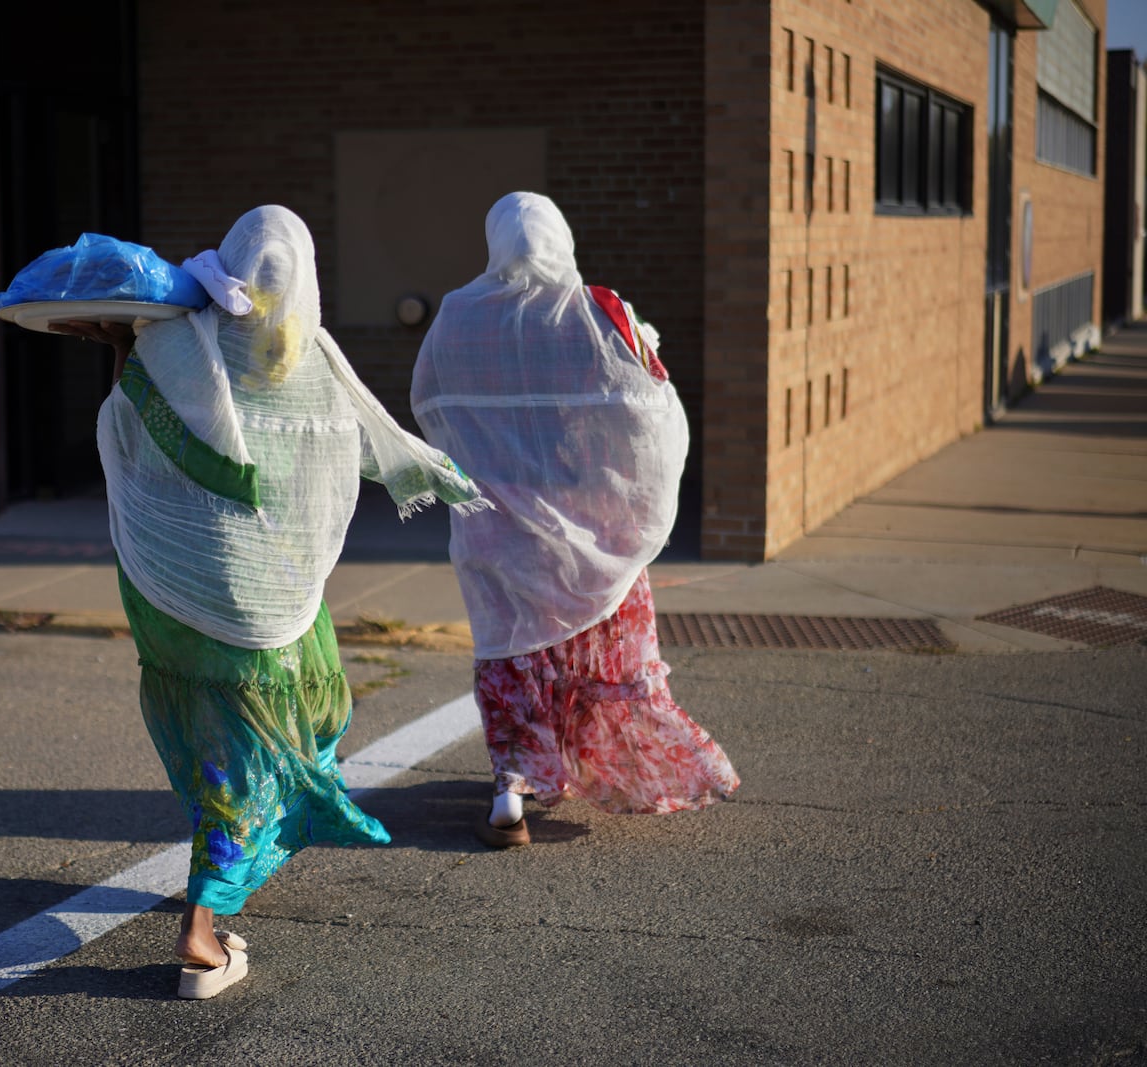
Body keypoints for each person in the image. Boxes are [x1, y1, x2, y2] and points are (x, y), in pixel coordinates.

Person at [56, 205, 486, 999]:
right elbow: (357, 449)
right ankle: (200, 926)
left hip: (176, 596)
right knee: (282, 736)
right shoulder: (314, 359)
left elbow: (133, 428)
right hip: (268, 601)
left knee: (225, 743)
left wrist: (125, 342)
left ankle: (211, 885)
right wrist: (442, 474)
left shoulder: (176, 342)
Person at [410, 191, 739, 848]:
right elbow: (652, 403)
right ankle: (603, 768)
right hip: (590, 523)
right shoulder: (596, 310)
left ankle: (511, 784)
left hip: (498, 521)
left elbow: (431, 402)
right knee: (599, 649)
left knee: (515, 650)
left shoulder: (457, 315)